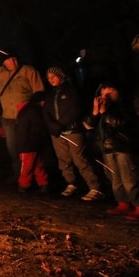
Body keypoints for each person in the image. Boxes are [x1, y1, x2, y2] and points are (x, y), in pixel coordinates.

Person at [82, 82, 139, 221]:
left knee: (129, 178)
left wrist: (104, 112)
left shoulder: (123, 107)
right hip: (106, 148)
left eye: (109, 93)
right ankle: (123, 203)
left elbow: (119, 123)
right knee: (115, 180)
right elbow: (88, 125)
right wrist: (95, 112)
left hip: (123, 147)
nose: (105, 97)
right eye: (103, 94)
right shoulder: (101, 109)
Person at [43, 66, 102, 200]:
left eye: (53, 76)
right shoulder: (51, 94)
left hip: (73, 131)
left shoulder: (72, 91)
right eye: (48, 78)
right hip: (57, 133)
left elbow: (75, 110)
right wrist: (52, 126)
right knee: (63, 159)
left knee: (79, 159)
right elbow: (46, 112)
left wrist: (60, 124)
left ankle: (95, 187)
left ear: (61, 76)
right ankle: (71, 183)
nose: (50, 79)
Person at [0, 50, 45, 182]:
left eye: (14, 58)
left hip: (26, 118)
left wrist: (35, 112)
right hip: (8, 117)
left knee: (30, 148)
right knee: (13, 148)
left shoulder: (28, 71)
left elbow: (39, 91)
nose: (12, 62)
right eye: (8, 59)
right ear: (3, 61)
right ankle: (19, 174)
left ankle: (37, 177)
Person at [15, 91, 50, 193]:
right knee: (33, 166)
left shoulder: (26, 111)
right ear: (41, 101)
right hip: (32, 144)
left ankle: (26, 185)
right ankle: (39, 184)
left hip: (29, 144)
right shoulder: (35, 111)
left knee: (31, 166)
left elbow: (22, 130)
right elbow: (34, 129)